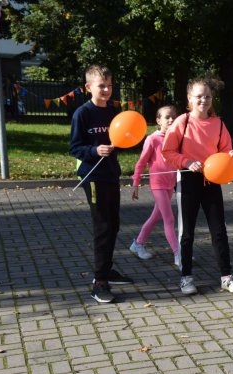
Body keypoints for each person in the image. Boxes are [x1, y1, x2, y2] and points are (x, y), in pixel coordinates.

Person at [161, 77, 233, 296]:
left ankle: (226, 277)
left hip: (212, 181)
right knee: (187, 232)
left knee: (219, 231)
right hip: (188, 180)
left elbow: (227, 150)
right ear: (189, 98)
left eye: (207, 96)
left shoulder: (218, 124)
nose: (203, 100)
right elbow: (168, 152)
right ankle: (186, 277)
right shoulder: (182, 122)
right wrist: (186, 162)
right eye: (199, 96)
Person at [69, 65, 134, 304]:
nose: (106, 90)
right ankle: (99, 282)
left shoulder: (114, 112)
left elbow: (125, 137)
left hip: (111, 175)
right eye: (101, 86)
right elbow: (74, 147)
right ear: (88, 88)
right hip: (93, 177)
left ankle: (106, 270)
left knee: (114, 224)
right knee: (103, 227)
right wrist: (94, 150)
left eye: (109, 85)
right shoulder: (82, 113)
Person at [130, 105, 180, 266]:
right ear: (158, 120)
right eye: (167, 117)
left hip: (170, 183)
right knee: (169, 219)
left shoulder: (176, 138)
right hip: (157, 184)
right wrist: (136, 183)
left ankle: (137, 243)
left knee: (156, 216)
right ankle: (178, 255)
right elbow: (141, 163)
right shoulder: (152, 139)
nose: (171, 119)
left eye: (173, 116)